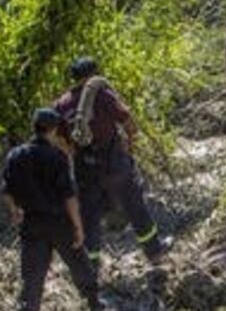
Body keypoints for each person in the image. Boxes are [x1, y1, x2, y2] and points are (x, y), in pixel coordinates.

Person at [54, 57, 170, 269]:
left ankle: (91, 270)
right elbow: (129, 124)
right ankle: (155, 255)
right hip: (114, 164)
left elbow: (60, 139)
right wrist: (130, 146)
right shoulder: (103, 95)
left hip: (85, 170)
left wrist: (76, 153)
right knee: (136, 208)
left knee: (89, 219)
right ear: (93, 74)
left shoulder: (62, 104)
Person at [2, 108, 101, 311]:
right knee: (79, 263)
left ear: (34, 126)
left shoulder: (15, 155)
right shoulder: (57, 156)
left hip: (32, 224)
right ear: (54, 130)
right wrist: (78, 227)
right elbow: (69, 196)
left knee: (32, 275)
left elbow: (6, 191)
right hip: (59, 223)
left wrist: (15, 212)